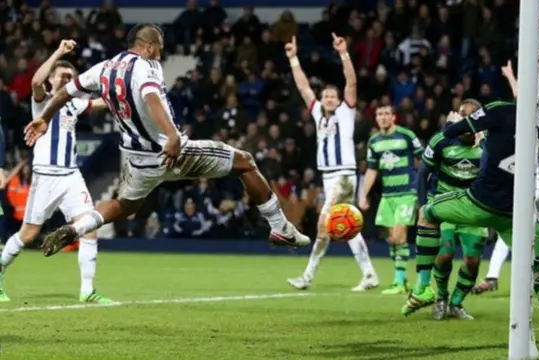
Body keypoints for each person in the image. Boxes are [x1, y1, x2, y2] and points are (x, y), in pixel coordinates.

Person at [24, 24, 310, 255]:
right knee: (245, 163)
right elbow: (151, 98)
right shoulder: (146, 66)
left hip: (137, 160)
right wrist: (172, 136)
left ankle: (74, 229)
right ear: (148, 45)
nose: (161, 53)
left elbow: (65, 93)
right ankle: (279, 226)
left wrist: (45, 117)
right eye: (159, 47)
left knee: (125, 206)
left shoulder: (104, 68)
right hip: (171, 152)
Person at [400, 101, 539, 347]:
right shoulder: (538, 122)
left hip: (478, 204)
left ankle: (423, 288)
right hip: (516, 212)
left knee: (427, 213)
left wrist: (455, 124)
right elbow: (518, 146)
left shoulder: (498, 109)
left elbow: (454, 131)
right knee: (537, 272)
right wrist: (485, 140)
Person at [1, 40, 110, 303]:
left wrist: (123, 91)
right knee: (28, 234)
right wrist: (60, 52)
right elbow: (36, 82)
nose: (68, 79)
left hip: (71, 175)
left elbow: (98, 104)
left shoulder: (75, 104)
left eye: (72, 77)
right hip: (46, 175)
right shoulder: (42, 101)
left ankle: (87, 291)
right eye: (63, 75)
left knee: (89, 227)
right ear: (51, 78)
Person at [286, 33, 378, 291]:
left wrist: (344, 54)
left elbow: (351, 81)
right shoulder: (317, 113)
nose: (328, 99)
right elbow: (304, 88)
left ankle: (307, 277)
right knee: (347, 225)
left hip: (344, 175)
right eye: (325, 96)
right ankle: (369, 273)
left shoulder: (346, 111)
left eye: (332, 96)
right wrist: (293, 59)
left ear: (338, 100)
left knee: (324, 224)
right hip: (329, 176)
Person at [472, 61, 539, 294]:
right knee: (531, 230)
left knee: (511, 229)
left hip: (533, 186)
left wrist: (512, 77)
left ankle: (492, 277)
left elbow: (520, 99)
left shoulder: (525, 122)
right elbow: (523, 100)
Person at [418, 99, 487, 320]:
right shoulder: (441, 140)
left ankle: (456, 303)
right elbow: (422, 174)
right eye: (462, 114)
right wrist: (422, 205)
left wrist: (484, 146)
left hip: (475, 208)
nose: (467, 118)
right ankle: (441, 298)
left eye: (472, 115)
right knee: (445, 253)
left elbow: (492, 176)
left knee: (473, 260)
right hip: (446, 205)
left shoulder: (489, 144)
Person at [360, 105, 422, 295]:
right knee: (392, 240)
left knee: (399, 236)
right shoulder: (374, 142)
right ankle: (401, 280)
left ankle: (399, 281)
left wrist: (422, 187)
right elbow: (372, 170)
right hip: (388, 196)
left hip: (406, 194)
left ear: (394, 117)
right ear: (376, 118)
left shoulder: (406, 136)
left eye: (387, 114)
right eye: (379, 114)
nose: (383, 117)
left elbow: (424, 160)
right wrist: (363, 194)